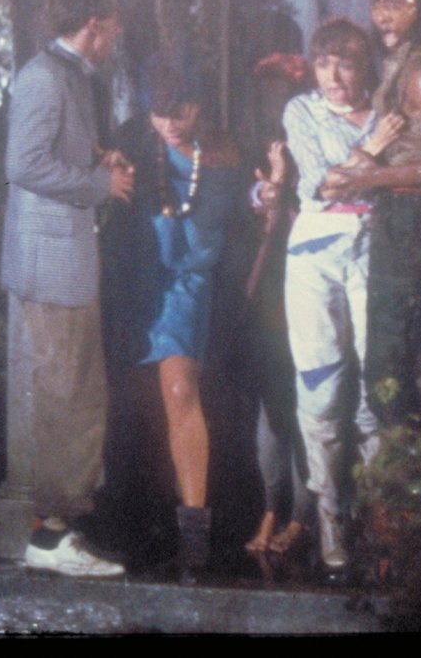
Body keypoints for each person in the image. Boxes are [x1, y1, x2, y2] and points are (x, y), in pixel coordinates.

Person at [0, 0, 135, 577]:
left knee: (76, 394)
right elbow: (23, 164)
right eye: (113, 28)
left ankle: (58, 531)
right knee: (63, 396)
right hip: (49, 264)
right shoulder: (44, 77)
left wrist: (96, 159)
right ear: (94, 25)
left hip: (68, 260)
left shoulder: (71, 76)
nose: (116, 39)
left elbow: (53, 151)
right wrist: (100, 185)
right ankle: (50, 540)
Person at [101, 55, 243, 582]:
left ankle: (194, 534)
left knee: (181, 389)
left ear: (198, 105)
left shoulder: (225, 149)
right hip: (136, 280)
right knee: (120, 400)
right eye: (160, 113)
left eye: (180, 111)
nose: (171, 123)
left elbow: (247, 206)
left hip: (188, 284)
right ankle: (118, 517)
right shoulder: (135, 142)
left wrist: (264, 194)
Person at [322, 0, 421, 426]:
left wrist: (371, 178)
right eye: (377, 3)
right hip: (401, 216)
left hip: (413, 219)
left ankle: (408, 466)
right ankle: (408, 463)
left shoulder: (419, 73)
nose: (383, 15)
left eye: (396, 3)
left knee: (390, 370)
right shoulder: (401, 61)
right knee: (394, 365)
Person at [280, 18, 404, 575]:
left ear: (364, 67)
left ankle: (378, 520)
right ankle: (329, 518)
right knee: (321, 387)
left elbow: (351, 180)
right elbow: (322, 184)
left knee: (376, 385)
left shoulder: (386, 111)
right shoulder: (302, 111)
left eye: (345, 64)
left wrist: (359, 165)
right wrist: (371, 152)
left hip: (374, 246)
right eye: (324, 64)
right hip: (315, 254)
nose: (332, 77)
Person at [239, 52, 316, 557]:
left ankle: (302, 516)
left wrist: (284, 184)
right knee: (271, 406)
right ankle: (272, 506)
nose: (276, 102)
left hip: (307, 279)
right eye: (268, 92)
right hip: (267, 286)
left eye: (284, 91)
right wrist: (264, 190)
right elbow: (248, 195)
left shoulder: (315, 133)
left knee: (305, 401)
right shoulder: (255, 142)